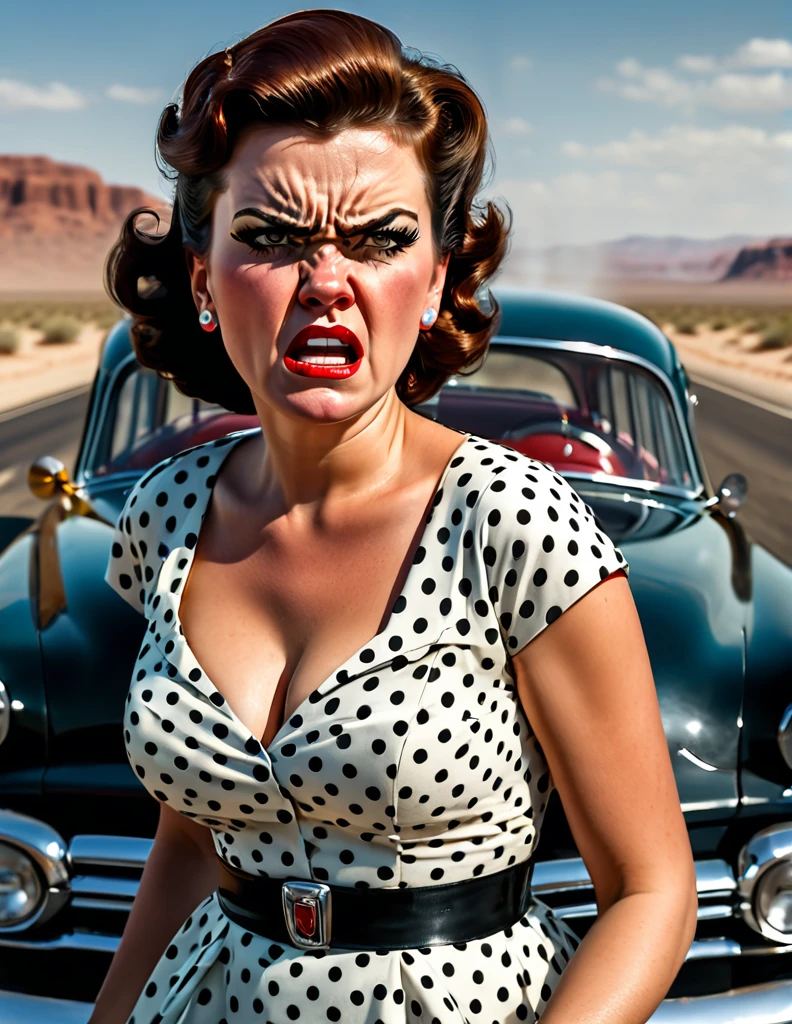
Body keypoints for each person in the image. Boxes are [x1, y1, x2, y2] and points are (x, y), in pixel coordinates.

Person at [94, 9, 697, 1023]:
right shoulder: (165, 514)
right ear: (203, 275)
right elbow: (193, 840)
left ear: (438, 281)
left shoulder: (516, 521)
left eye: (379, 239)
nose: (327, 283)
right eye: (272, 237)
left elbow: (651, 890)